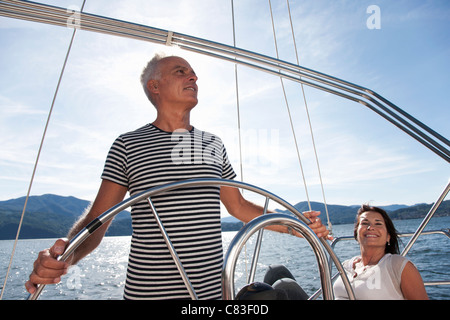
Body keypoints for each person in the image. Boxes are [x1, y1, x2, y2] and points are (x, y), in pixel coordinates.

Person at [25, 53, 330, 300]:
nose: (193, 77)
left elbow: (238, 207)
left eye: (193, 73)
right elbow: (98, 219)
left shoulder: (213, 144)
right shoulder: (127, 144)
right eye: (181, 71)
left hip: (211, 294)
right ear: (154, 87)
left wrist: (297, 226)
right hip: (147, 295)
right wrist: (64, 257)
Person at [333, 204, 428, 300]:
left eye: (378, 224)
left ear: (388, 237)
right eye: (365, 223)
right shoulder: (346, 265)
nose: (371, 227)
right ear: (356, 233)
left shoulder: (398, 265)